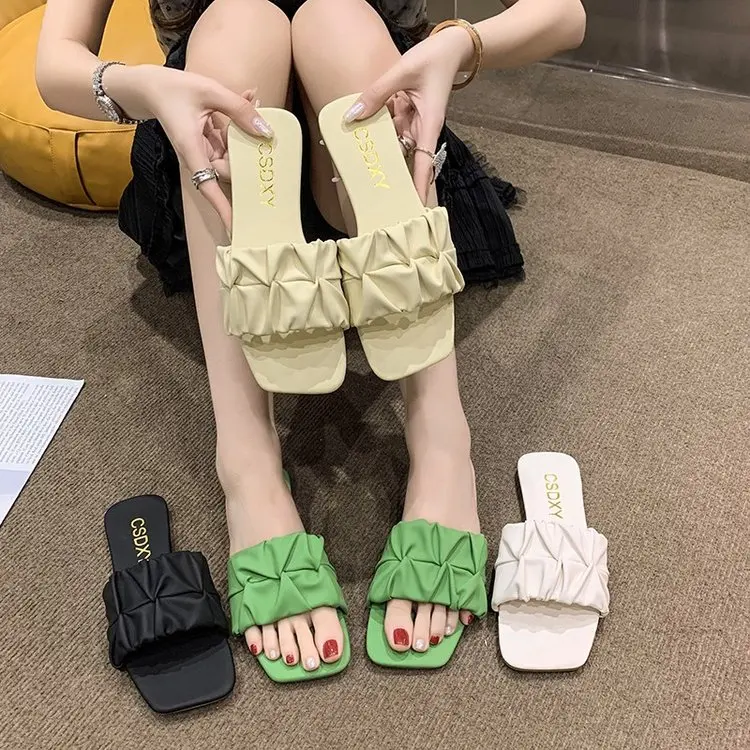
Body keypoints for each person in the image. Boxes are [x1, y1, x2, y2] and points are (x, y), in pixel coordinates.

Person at [36, 0, 586, 674]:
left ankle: (441, 441)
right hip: (217, 188)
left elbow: (564, 14)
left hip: (384, 173)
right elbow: (54, 65)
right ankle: (248, 462)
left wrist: (456, 47)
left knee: (337, 18)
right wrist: (146, 85)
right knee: (238, 24)